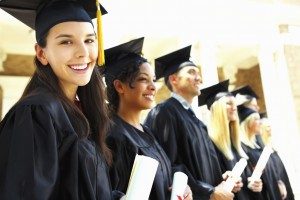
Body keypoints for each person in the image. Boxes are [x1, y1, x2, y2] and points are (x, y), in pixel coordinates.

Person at [0, 0, 122, 199]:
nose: (83, 52)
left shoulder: (83, 110)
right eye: (66, 41)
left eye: (89, 40)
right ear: (41, 53)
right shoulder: (36, 113)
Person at [103, 38, 192, 200]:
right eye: (143, 79)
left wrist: (183, 189)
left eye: (153, 80)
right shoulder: (113, 136)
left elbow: (166, 175)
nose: (153, 86)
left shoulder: (147, 132)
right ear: (119, 86)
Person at [144, 46, 236, 200]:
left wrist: (221, 180)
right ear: (174, 79)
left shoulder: (197, 121)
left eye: (198, 73)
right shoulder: (165, 112)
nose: (199, 78)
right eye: (192, 72)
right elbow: (167, 165)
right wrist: (207, 192)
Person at [198, 80, 264, 200]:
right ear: (217, 109)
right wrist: (224, 181)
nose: (234, 108)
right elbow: (209, 181)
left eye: (234, 103)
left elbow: (248, 179)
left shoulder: (238, 145)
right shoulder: (209, 144)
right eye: (228, 103)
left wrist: (256, 184)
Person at [238, 106, 286, 200]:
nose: (260, 122)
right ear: (247, 123)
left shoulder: (258, 145)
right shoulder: (242, 147)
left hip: (272, 188)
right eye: (256, 119)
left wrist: (279, 182)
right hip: (260, 192)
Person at [260, 114, 295, 200]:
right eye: (267, 127)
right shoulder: (262, 150)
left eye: (270, 126)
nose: (270, 129)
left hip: (283, 181)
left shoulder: (271, 146)